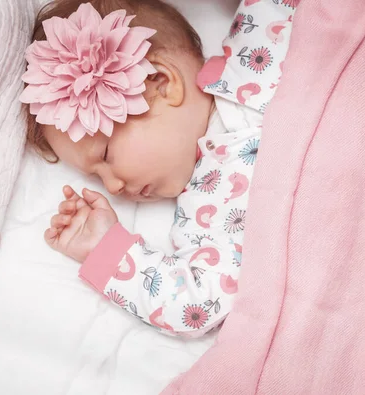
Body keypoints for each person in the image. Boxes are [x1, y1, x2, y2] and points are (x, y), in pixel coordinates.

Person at [21, 0, 292, 336]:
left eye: (106, 156)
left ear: (163, 83)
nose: (114, 187)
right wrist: (104, 247)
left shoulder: (257, 49)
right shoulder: (205, 209)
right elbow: (198, 304)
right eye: (96, 178)